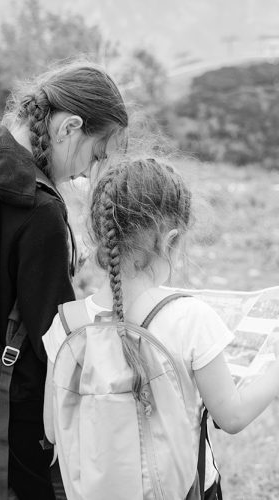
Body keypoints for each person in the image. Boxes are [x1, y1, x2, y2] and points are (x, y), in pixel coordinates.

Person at [42, 157, 279, 499]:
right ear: (169, 242)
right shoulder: (189, 317)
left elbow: (52, 429)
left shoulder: (65, 324)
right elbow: (233, 416)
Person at [0, 62, 128, 499]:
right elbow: (55, 334)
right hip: (14, 405)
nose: (91, 169)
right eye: (98, 152)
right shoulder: (40, 209)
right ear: (70, 127)